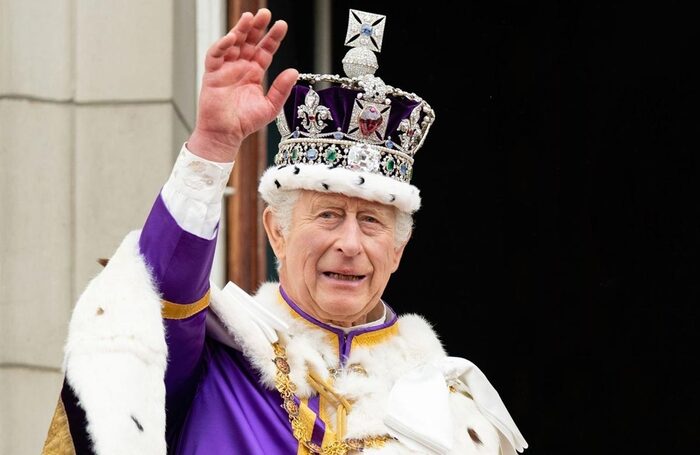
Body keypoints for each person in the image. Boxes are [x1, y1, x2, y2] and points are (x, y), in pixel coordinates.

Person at [42, 8, 527, 455]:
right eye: (328, 215)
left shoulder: (449, 410)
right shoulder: (217, 358)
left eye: (372, 222)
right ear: (276, 230)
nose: (350, 244)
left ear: (397, 250)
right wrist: (212, 147)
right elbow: (156, 290)